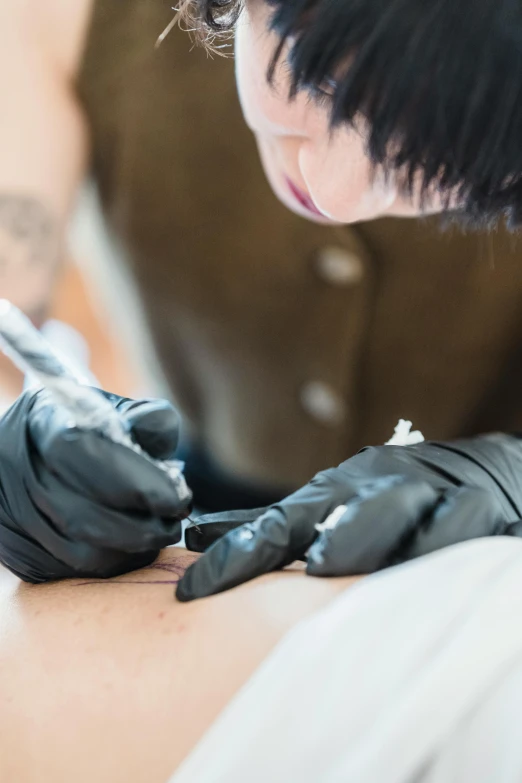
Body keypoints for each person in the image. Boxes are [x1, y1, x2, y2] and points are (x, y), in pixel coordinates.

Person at [2, 0, 522, 593]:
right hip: (175, 491)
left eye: (438, 158)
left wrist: (515, 475)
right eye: (320, 79)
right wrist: (23, 446)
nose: (332, 194)